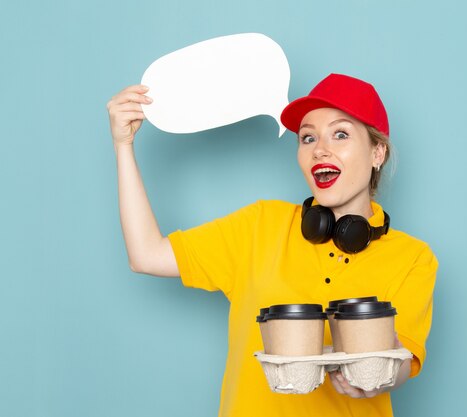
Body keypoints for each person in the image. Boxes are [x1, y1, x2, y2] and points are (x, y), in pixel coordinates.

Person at [107, 73, 437, 416]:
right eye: (308, 137)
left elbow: (403, 363)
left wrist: (374, 376)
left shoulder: (414, 258)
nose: (320, 149)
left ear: (377, 153)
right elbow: (146, 255)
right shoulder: (260, 226)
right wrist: (123, 146)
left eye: (340, 134)